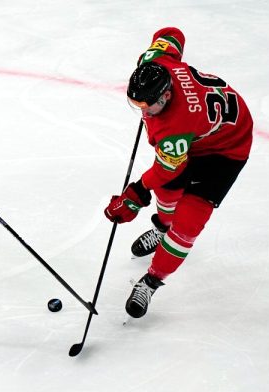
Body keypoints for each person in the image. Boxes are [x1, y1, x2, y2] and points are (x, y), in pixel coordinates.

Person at [104, 27, 252, 319]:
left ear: (167, 94)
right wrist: (151, 59)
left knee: (188, 223)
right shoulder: (157, 62)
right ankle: (161, 228)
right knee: (168, 190)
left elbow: (168, 166)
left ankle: (151, 281)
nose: (143, 112)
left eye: (147, 105)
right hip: (199, 135)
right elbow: (172, 34)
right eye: (137, 104)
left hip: (227, 150)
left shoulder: (175, 127)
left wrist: (135, 194)